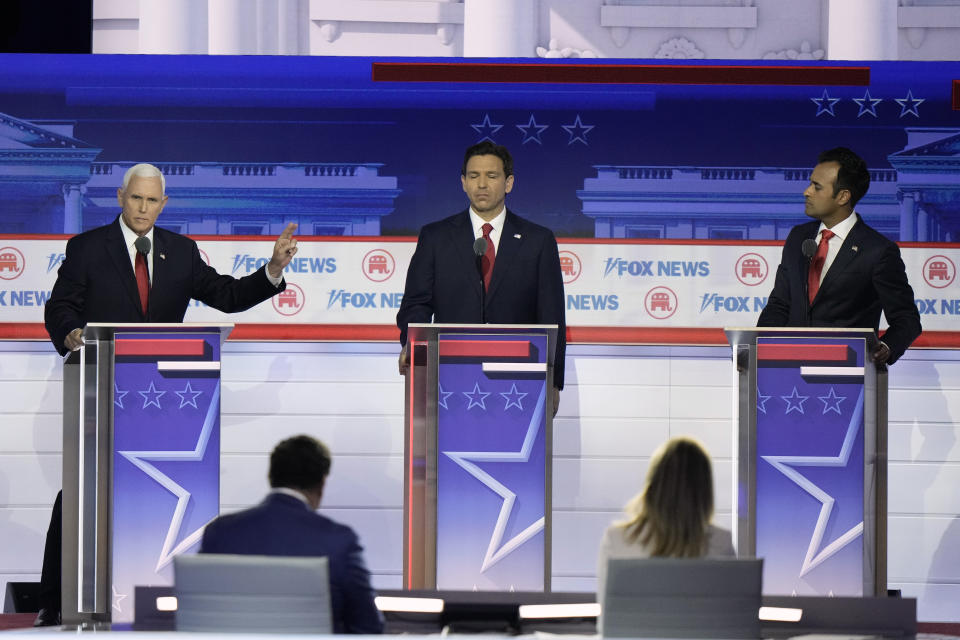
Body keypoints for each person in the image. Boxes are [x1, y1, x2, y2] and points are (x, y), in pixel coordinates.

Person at [35, 163, 299, 626]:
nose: (142, 208)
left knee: (155, 489)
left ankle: (152, 587)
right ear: (121, 197)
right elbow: (59, 306)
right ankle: (54, 599)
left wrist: (273, 270)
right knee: (81, 489)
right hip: (103, 388)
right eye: (135, 198)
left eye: (151, 200)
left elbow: (227, 295)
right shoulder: (87, 248)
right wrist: (72, 331)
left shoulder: (181, 251)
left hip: (163, 397)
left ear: (164, 203)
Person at [396, 141, 566, 408]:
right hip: (450, 377)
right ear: (463, 182)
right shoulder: (436, 237)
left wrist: (554, 380)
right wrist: (413, 344)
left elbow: (552, 314)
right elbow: (416, 304)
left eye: (492, 176)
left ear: (509, 183)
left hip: (519, 379)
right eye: (474, 176)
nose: (482, 184)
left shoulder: (538, 240)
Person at [200, 435, 383, 635]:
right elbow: (368, 629)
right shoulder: (339, 541)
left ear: (271, 477)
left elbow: (201, 618)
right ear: (321, 483)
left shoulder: (220, 532)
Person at [757, 147, 921, 365]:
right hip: (788, 370)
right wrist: (759, 347)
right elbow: (779, 304)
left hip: (846, 374)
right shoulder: (798, 237)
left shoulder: (878, 251)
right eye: (810, 183)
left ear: (843, 196)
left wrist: (885, 347)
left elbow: (906, 319)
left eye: (816, 187)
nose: (807, 192)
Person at [596, 437, 734, 607]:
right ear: (704, 491)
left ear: (654, 484)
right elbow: (728, 620)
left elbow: (608, 617)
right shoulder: (721, 543)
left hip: (637, 634)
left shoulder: (617, 540)